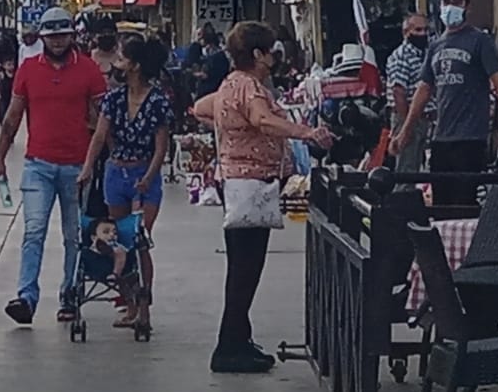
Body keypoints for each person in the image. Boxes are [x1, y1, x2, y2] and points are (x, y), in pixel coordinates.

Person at [192, 22, 332, 374]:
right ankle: (229, 346)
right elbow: (263, 120)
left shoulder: (231, 84)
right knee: (247, 268)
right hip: (251, 185)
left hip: (235, 182)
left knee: (241, 266)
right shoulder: (251, 88)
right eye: (271, 49)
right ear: (258, 54)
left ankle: (238, 337)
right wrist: (306, 132)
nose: (276, 56)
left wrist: (229, 128)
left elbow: (202, 107)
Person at [0, 6, 107, 325]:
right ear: (42, 37)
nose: (57, 41)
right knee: (34, 231)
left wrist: (105, 159)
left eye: (62, 35)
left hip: (78, 166)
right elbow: (13, 117)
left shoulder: (89, 70)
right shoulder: (28, 69)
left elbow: (104, 119)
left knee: (74, 235)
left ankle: (69, 294)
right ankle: (26, 297)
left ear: (72, 35)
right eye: (52, 36)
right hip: (38, 165)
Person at [389, 0, 498, 207]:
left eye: (457, 3)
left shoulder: (479, 41)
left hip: (470, 136)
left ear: (466, 7)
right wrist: (405, 132)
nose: (451, 8)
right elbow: (423, 90)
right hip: (442, 136)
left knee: (464, 202)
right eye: (447, 2)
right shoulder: (436, 46)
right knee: (441, 202)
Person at [79, 34, 172, 331]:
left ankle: (144, 307)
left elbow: (161, 147)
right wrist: (87, 167)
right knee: (120, 241)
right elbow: (99, 136)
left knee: (140, 239)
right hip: (115, 174)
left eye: (122, 58)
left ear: (135, 65)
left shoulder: (157, 100)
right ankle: (129, 303)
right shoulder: (114, 99)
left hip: (145, 175)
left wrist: (147, 177)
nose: (116, 63)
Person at [386, 13, 432, 175]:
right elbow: (398, 92)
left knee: (420, 167)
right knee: (406, 169)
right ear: (406, 32)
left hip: (424, 118)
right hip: (407, 117)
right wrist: (407, 125)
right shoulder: (401, 57)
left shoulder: (425, 54)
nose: (423, 34)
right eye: (418, 30)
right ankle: (402, 199)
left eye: (426, 29)